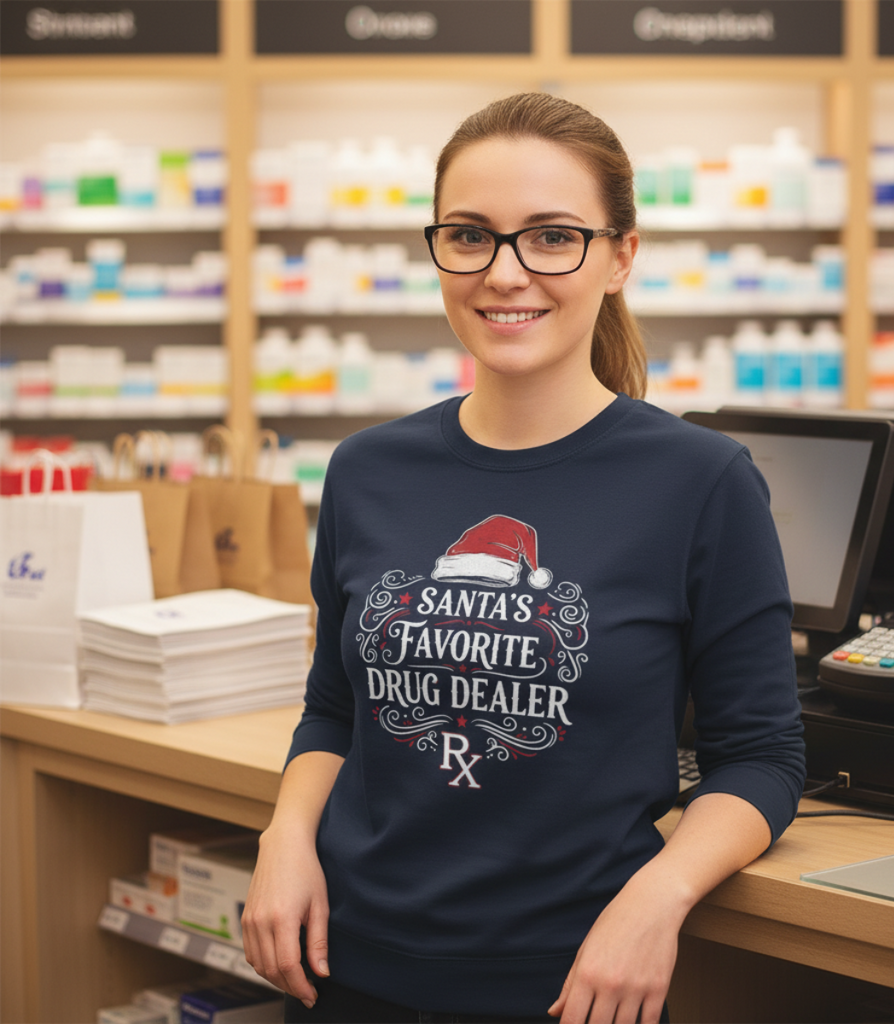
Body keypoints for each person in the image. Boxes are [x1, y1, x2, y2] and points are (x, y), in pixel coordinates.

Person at [242, 92, 805, 1024]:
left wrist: (655, 900)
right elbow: (335, 711)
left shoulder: (700, 481)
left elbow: (762, 758)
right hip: (346, 962)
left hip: (571, 985)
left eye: (551, 237)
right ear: (439, 250)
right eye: (471, 235)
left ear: (621, 255)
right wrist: (285, 837)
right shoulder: (367, 469)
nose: (506, 272)